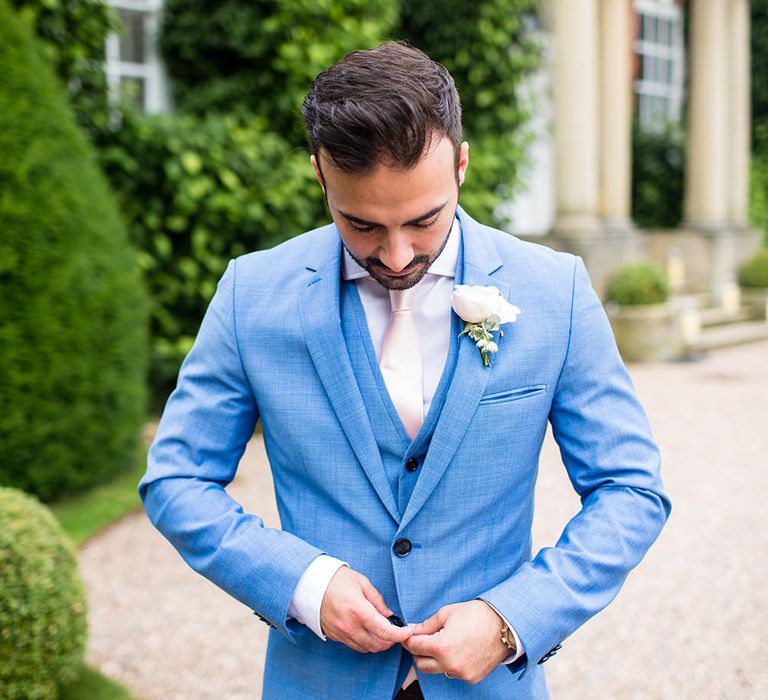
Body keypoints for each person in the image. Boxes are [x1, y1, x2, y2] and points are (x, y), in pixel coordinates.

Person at [139, 42, 670, 700]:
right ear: (320, 176)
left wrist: (511, 620)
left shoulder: (554, 290)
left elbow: (631, 490)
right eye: (360, 224)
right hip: (318, 682)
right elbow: (176, 479)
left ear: (463, 164)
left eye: (423, 220)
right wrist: (303, 582)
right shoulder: (253, 294)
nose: (395, 254)